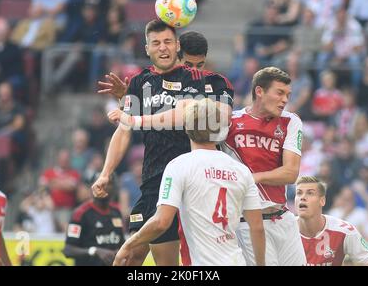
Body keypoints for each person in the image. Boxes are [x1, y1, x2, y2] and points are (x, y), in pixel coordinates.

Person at [92, 20, 233, 266]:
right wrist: (105, 173)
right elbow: (123, 131)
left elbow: (201, 115)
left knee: (173, 262)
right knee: (131, 259)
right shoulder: (139, 82)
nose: (163, 48)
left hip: (193, 181)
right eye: (156, 43)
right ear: (147, 49)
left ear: (177, 45)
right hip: (153, 181)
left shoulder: (200, 80)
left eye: (168, 41)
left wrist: (135, 119)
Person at [113, 98, 265, 266]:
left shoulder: (179, 166)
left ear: (187, 128)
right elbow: (257, 227)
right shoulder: (241, 171)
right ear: (220, 129)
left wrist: (129, 244)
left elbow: (161, 222)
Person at [222, 66, 306, 266]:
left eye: (288, 94)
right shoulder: (230, 122)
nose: (285, 100)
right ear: (259, 91)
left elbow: (290, 173)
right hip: (247, 222)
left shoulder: (291, 121)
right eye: (279, 93)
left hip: (283, 218)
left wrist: (253, 178)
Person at [295, 176, 368, 266]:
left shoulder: (344, 230)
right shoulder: (283, 229)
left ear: (322, 201)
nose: (303, 197)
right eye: (299, 193)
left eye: (310, 193)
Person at [63, 175, 124, 266]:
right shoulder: (80, 213)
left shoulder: (116, 212)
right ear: (92, 186)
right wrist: (94, 251)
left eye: (109, 183)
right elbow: (68, 250)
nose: (104, 186)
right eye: (100, 183)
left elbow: (121, 243)